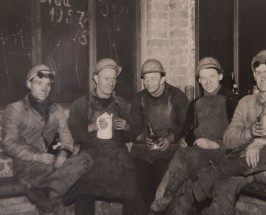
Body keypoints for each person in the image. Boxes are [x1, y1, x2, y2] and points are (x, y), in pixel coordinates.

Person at [192, 50, 266, 215]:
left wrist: (261, 142)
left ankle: (213, 173)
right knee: (222, 189)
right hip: (242, 170)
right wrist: (249, 133)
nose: (262, 77)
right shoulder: (245, 103)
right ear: (254, 76)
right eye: (258, 73)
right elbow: (227, 139)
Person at [149, 57, 239, 215]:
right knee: (184, 186)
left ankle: (157, 206)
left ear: (220, 76)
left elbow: (239, 137)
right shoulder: (196, 103)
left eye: (211, 76)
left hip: (223, 155)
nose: (207, 81)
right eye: (203, 78)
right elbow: (187, 131)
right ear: (198, 80)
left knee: (181, 158)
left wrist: (216, 144)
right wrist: (184, 139)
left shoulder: (232, 101)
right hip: (199, 154)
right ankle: (161, 206)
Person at [1, 64, 93, 214]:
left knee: (86, 159)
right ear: (28, 84)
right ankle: (49, 192)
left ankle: (45, 191)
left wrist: (63, 153)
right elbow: (8, 144)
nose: (45, 88)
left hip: (52, 166)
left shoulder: (56, 109)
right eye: (39, 83)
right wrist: (37, 157)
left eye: (48, 84)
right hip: (28, 168)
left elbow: (67, 138)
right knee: (57, 202)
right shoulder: (15, 109)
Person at [63, 58, 146, 215]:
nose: (111, 83)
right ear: (96, 78)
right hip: (90, 155)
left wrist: (127, 127)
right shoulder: (81, 104)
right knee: (83, 184)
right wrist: (92, 127)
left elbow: (133, 135)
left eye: (114, 79)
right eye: (107, 78)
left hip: (117, 156)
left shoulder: (122, 104)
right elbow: (71, 133)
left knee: (133, 182)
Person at [130, 59, 189, 212]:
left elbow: (188, 126)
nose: (148, 83)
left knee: (165, 177)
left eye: (153, 78)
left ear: (163, 79)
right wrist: (144, 138)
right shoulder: (139, 99)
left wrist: (170, 138)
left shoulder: (177, 97)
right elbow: (134, 129)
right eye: (146, 79)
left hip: (170, 150)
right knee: (135, 181)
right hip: (145, 151)